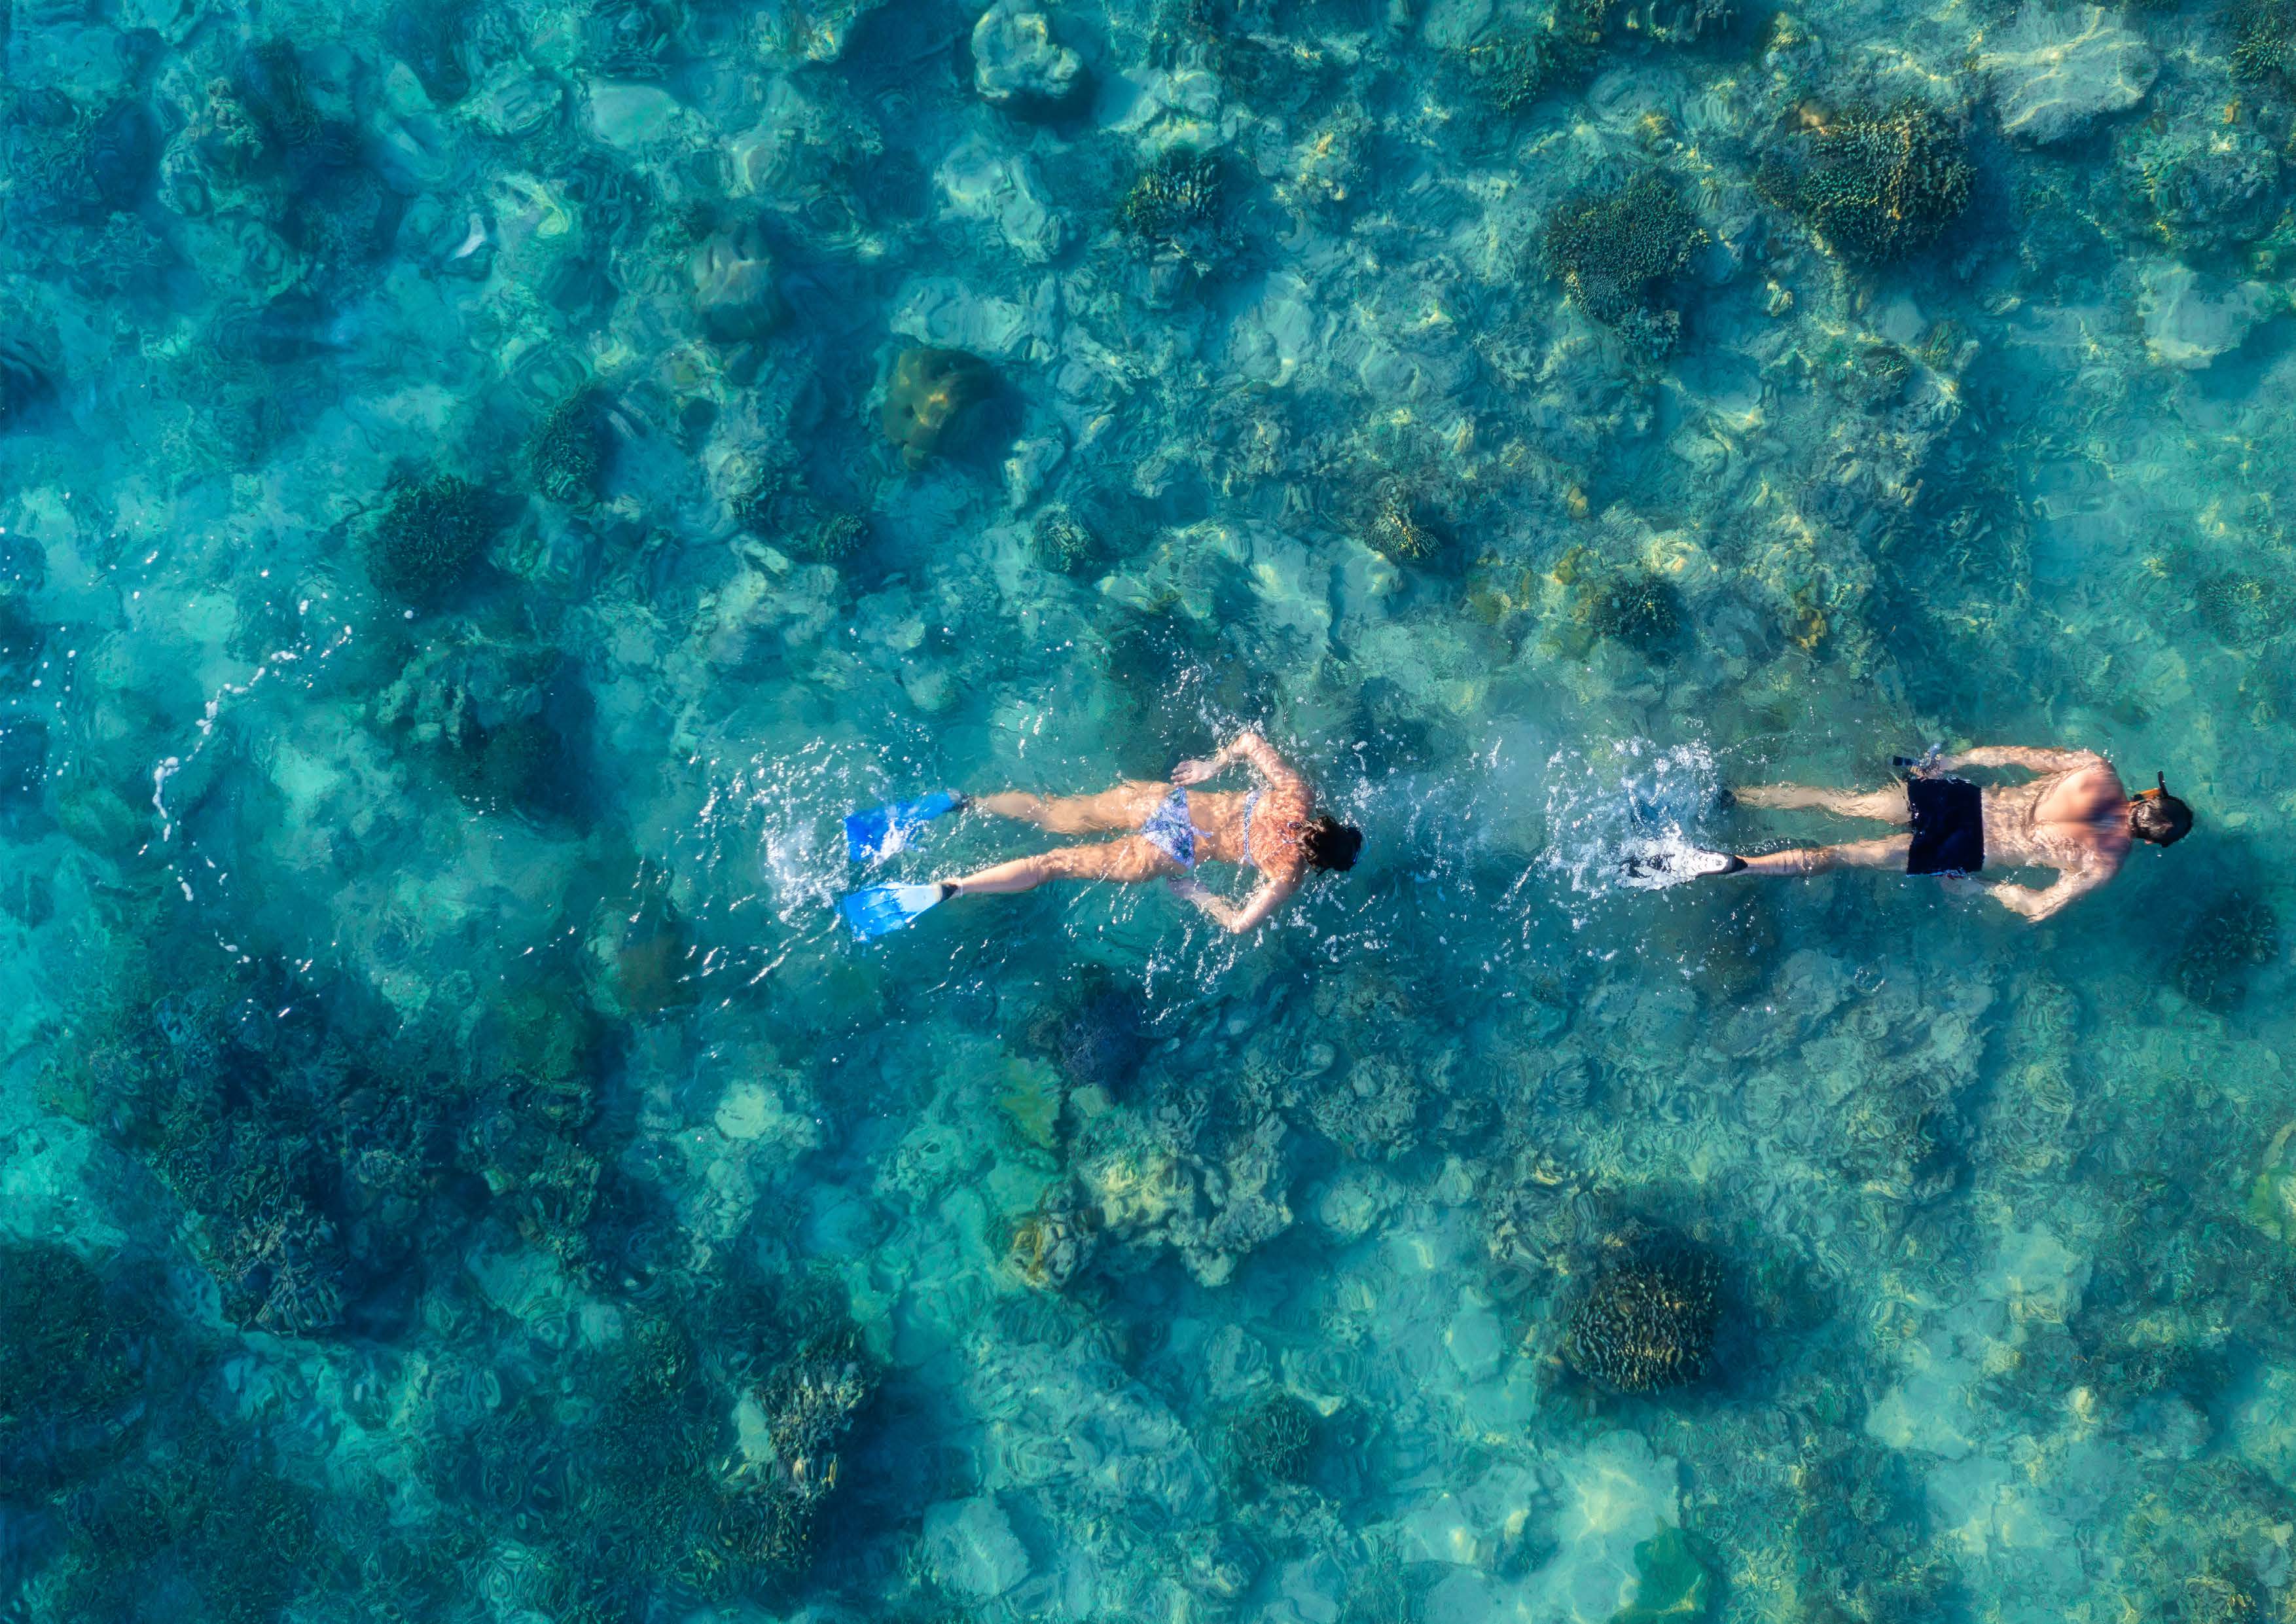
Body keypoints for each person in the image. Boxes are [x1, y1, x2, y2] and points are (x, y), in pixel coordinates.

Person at [935, 729, 1361, 933]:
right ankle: (960, 886)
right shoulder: (1289, 872)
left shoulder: (1296, 794)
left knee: (1051, 814)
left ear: (1330, 822)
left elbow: (1249, 741)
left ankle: (970, 803)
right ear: (1319, 864)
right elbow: (1238, 924)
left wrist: (1212, 765)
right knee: (1051, 865)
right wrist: (1198, 894)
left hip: (1166, 802)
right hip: (1170, 850)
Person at [1704, 746, 2191, 922]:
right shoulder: (2105, 863)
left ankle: (1738, 794)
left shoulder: (2096, 768)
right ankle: (1743, 864)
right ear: (2151, 842)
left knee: (1841, 800)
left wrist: (1948, 763)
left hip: (1964, 800)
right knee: (1840, 855)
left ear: (2148, 794)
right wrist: (1979, 887)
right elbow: (2040, 907)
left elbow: (2009, 755)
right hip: (1971, 848)